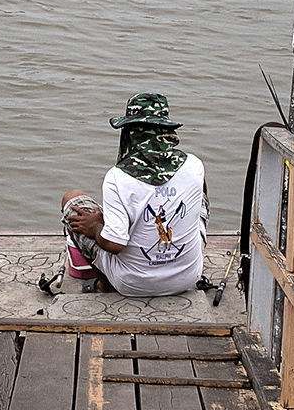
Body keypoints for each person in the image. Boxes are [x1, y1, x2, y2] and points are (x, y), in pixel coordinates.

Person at [62, 93, 208, 298]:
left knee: (72, 199)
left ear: (130, 134)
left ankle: (106, 285)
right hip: (187, 278)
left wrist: (95, 227)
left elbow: (114, 245)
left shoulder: (118, 177)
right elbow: (200, 200)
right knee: (199, 198)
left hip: (133, 284)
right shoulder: (194, 165)